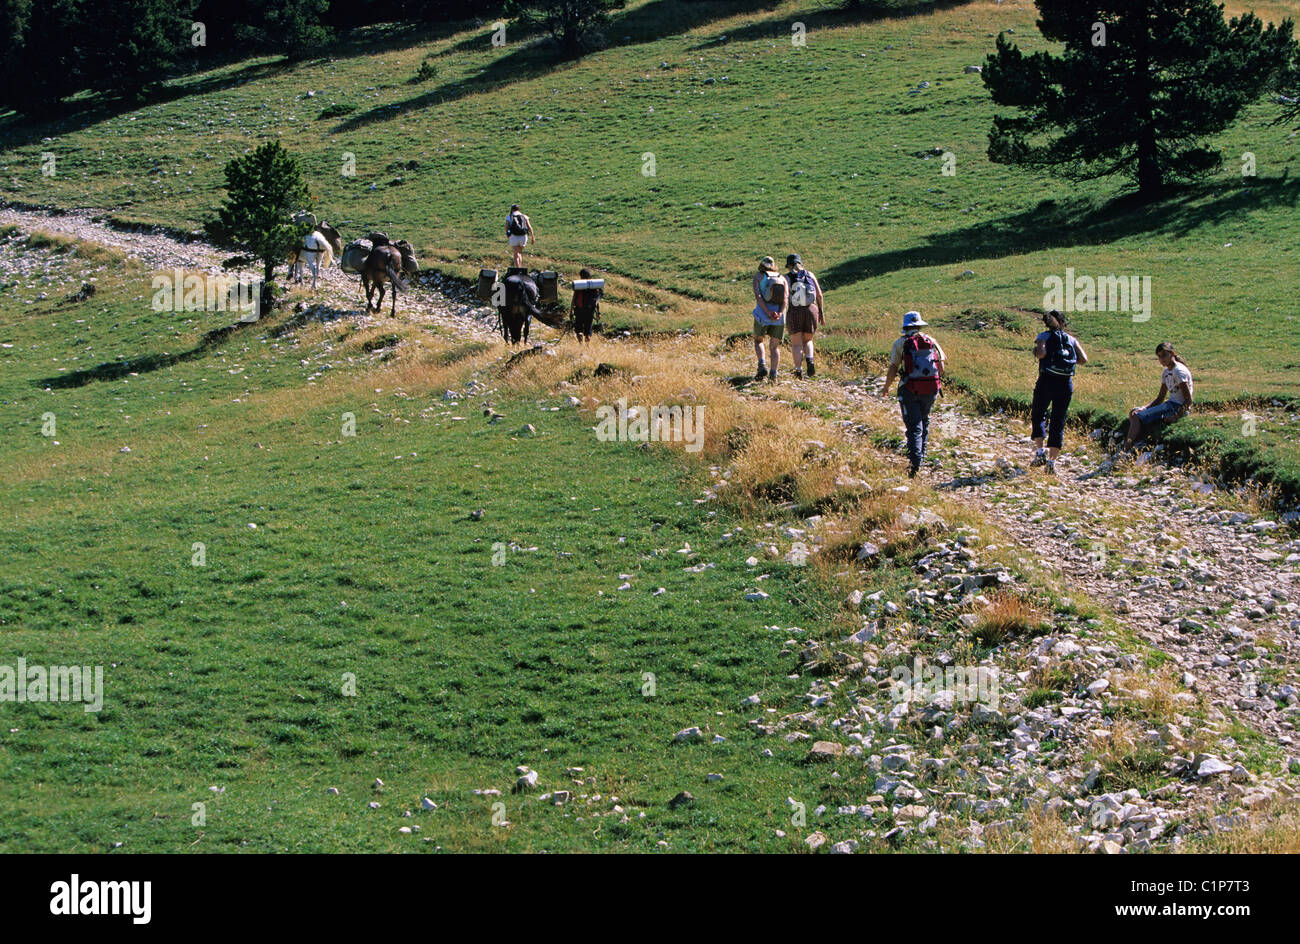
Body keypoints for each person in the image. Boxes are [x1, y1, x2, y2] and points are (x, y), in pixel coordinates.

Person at [882, 311, 946, 477]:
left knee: (913, 426)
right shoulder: (931, 341)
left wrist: (886, 387)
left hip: (909, 388)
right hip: (931, 388)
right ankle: (921, 458)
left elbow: (893, 368)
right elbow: (942, 367)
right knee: (924, 420)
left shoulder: (900, 343)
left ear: (905, 326)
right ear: (919, 325)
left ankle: (915, 463)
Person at [1030, 309, 1088, 474]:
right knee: (1058, 420)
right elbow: (1084, 359)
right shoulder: (1071, 339)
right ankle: (1051, 462)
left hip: (1047, 380)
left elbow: (1041, 353)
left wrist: (1036, 351)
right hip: (1065, 383)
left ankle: (1040, 452)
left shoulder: (1044, 336)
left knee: (1039, 413)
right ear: (1063, 323)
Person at [1124, 342, 1193, 448]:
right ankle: (1139, 443)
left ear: (1172, 353)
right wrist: (1144, 408)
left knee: (1137, 417)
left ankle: (1126, 447)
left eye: (1164, 355)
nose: (1162, 359)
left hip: (1177, 408)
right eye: (1159, 357)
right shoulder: (1166, 372)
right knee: (1134, 411)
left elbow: (1188, 400)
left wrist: (1176, 416)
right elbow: (1160, 397)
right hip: (1170, 404)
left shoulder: (1179, 371)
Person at [784, 253, 825, 379]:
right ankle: (810, 361)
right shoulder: (810, 274)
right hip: (811, 309)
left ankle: (798, 371)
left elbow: (785, 297)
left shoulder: (786, 277)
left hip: (795, 310)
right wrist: (821, 312)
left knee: (796, 344)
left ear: (789, 265)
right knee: (808, 340)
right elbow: (819, 295)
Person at [752, 256, 787, 381]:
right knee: (774, 347)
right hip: (778, 317)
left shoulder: (758, 277)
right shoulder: (782, 278)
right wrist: (780, 313)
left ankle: (762, 364)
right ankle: (773, 374)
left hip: (762, 314)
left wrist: (767, 312)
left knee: (758, 340)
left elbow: (758, 296)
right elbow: (785, 298)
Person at [571, 267, 601, 343]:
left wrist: (571, 311)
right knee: (588, 330)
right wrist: (598, 312)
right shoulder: (594, 287)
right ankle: (587, 347)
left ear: (581, 276)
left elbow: (574, 299)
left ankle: (581, 345)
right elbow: (597, 301)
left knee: (579, 329)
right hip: (590, 311)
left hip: (579, 310)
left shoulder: (579, 286)